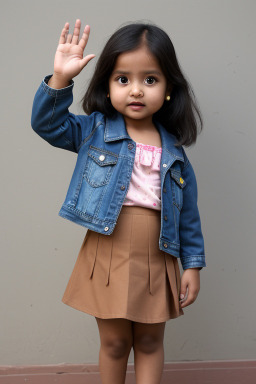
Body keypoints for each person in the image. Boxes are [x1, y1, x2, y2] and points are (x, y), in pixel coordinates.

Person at [31, 19, 206, 384]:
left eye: (150, 80)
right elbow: (48, 125)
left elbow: (188, 214)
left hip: (158, 251)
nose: (136, 91)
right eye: (123, 79)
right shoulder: (93, 130)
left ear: (169, 87)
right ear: (107, 85)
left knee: (149, 339)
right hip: (108, 247)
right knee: (113, 342)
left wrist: (192, 265)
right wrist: (60, 78)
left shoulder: (174, 152)